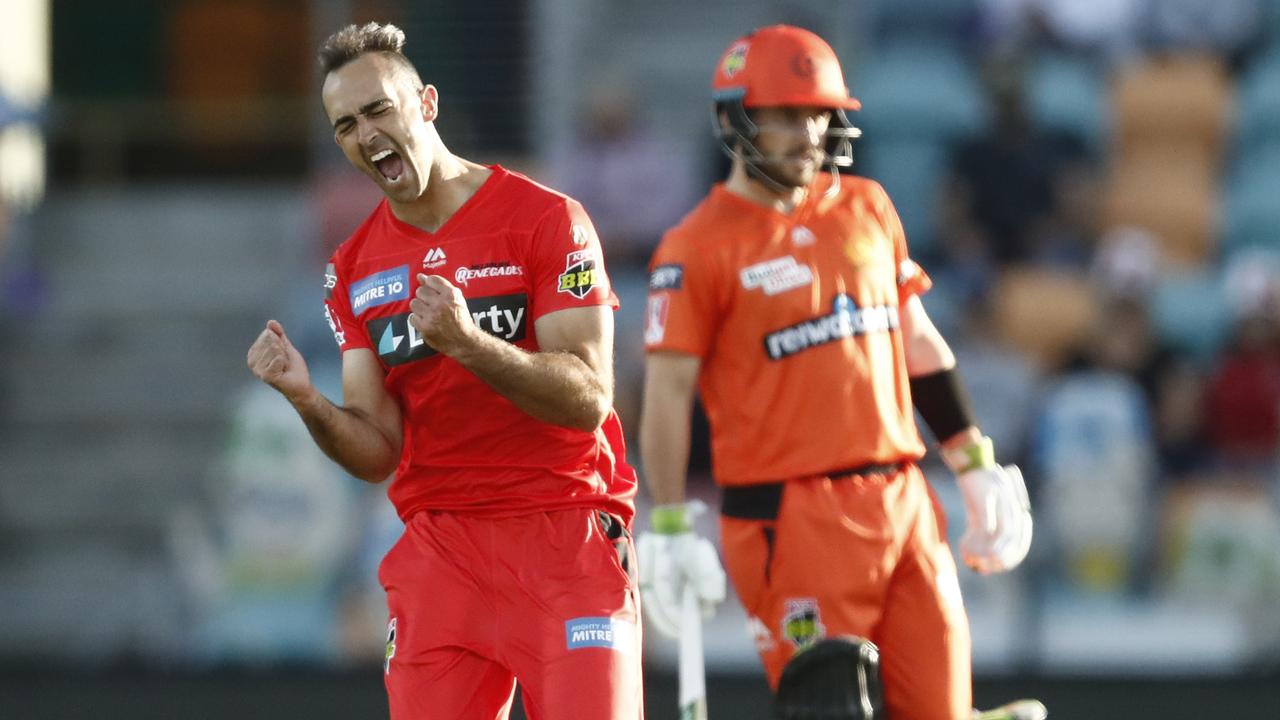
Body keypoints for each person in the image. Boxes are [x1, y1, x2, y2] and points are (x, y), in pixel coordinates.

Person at [246, 23, 642, 720]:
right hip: (441, 551)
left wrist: (468, 343)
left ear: (425, 103)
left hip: (563, 537)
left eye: (378, 110)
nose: (366, 134)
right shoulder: (353, 268)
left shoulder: (548, 220)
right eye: (345, 125)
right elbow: (377, 451)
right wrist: (308, 400)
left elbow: (588, 398)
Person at [637, 26, 1033, 720]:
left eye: (820, 113)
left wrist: (974, 463)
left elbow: (917, 340)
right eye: (787, 114)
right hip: (789, 519)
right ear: (735, 119)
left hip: (903, 500)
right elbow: (667, 396)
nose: (809, 131)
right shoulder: (696, 246)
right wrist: (666, 525)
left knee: (943, 711)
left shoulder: (867, 205)